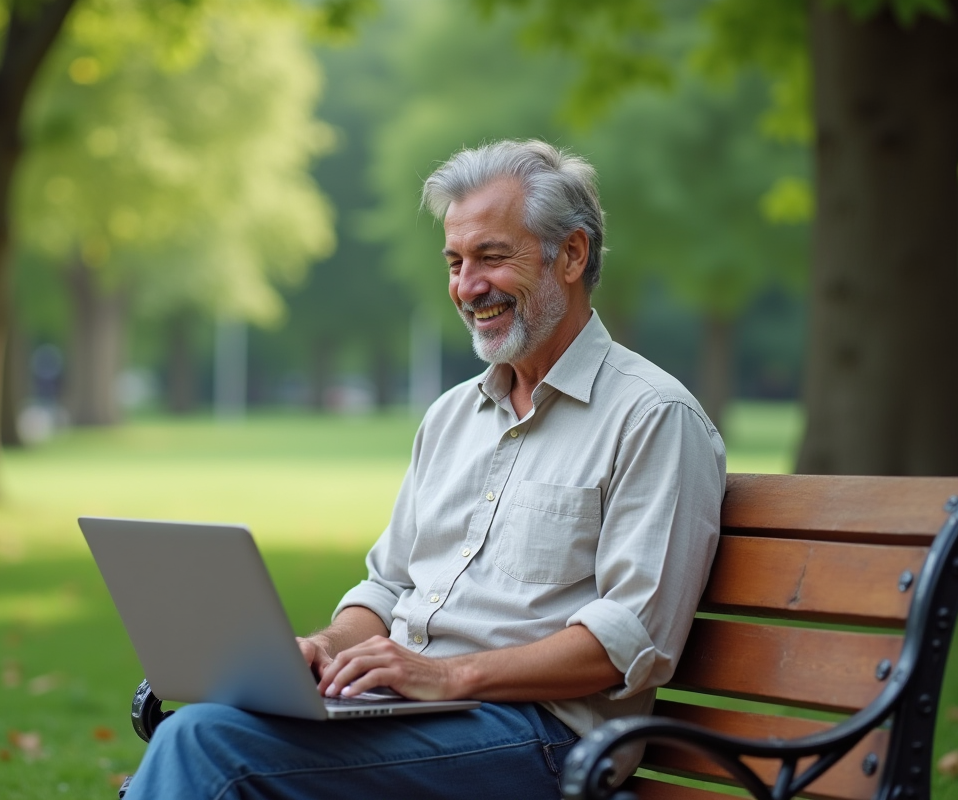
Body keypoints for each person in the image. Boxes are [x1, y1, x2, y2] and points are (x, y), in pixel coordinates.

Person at [121, 140, 726, 799]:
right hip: (417, 713)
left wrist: (447, 677)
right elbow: (386, 589)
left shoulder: (655, 417)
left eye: (492, 257)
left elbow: (631, 641)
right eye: (456, 262)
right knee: (213, 725)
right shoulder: (450, 417)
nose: (468, 287)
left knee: (208, 744)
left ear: (572, 254)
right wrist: (328, 649)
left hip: (550, 744)